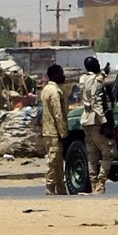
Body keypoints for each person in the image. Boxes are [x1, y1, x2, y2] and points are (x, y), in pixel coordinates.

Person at [79, 56, 116, 194]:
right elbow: (97, 102)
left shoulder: (83, 79)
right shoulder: (98, 83)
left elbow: (95, 79)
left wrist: (104, 73)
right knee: (109, 151)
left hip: (86, 119)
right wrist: (104, 122)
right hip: (95, 120)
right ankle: (101, 182)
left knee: (92, 154)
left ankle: (94, 183)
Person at [39, 64, 69, 195]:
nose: (63, 76)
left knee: (57, 163)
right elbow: (58, 114)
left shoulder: (45, 89)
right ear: (56, 75)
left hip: (47, 131)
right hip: (54, 132)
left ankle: (61, 189)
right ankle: (50, 187)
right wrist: (64, 133)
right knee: (53, 161)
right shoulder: (54, 92)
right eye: (61, 73)